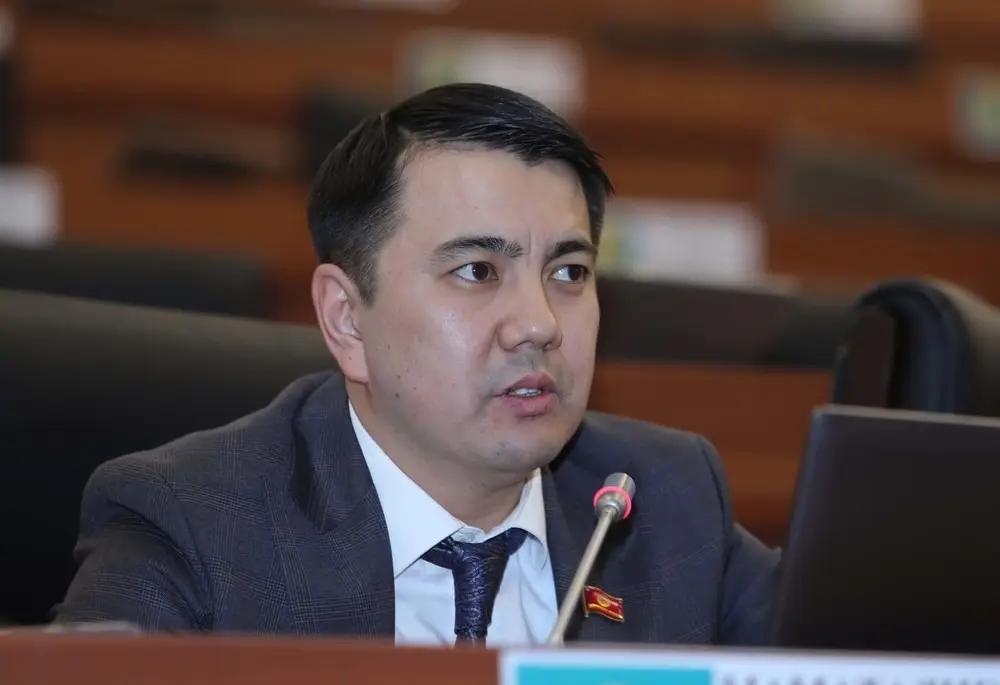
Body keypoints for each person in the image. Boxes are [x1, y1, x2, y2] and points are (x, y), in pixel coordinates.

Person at [56, 83, 778, 646]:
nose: (539, 324)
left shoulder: (666, 502)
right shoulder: (193, 526)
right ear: (346, 317)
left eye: (568, 272)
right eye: (477, 271)